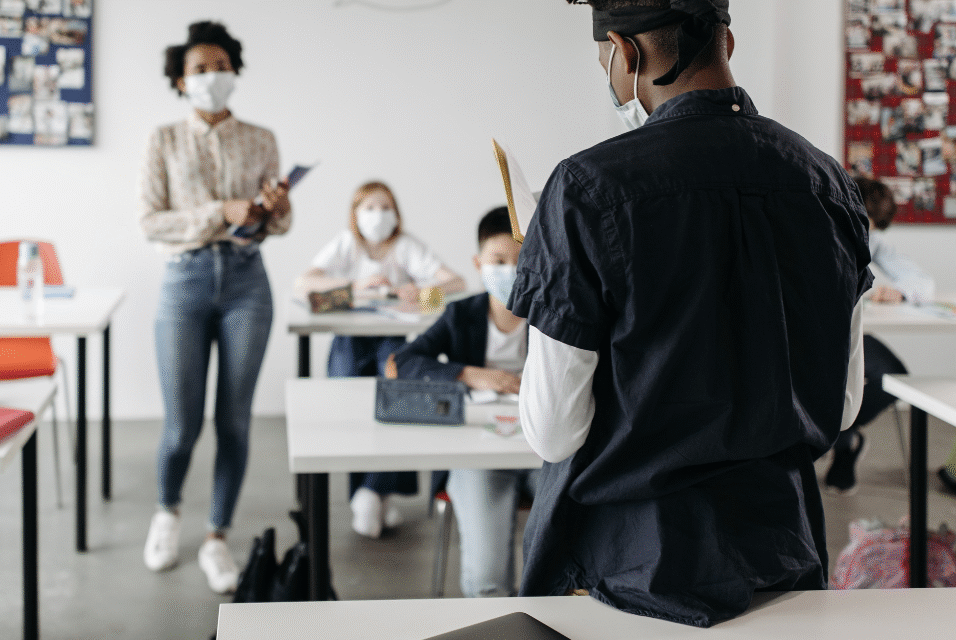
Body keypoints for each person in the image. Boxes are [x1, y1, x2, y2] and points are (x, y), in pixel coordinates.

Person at [509, 0, 872, 627]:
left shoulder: (585, 188)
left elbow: (552, 431)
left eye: (607, 61)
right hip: (782, 558)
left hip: (632, 570)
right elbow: (840, 406)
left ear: (626, 54)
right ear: (726, 42)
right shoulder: (828, 184)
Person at [139, 20, 291, 594]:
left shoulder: (261, 137)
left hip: (248, 283)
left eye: (221, 66)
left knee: (234, 419)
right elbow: (150, 220)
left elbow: (277, 222)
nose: (212, 76)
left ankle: (216, 535)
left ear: (236, 72)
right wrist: (218, 212)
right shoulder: (162, 140)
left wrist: (271, 210)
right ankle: (167, 510)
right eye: (200, 69)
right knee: (181, 425)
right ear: (180, 80)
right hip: (184, 280)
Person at [294, 181, 465, 538]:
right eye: (369, 208)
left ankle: (375, 491)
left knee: (396, 409)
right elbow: (304, 285)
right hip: (349, 341)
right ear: (355, 213)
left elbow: (456, 284)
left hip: (392, 338)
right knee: (351, 413)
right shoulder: (346, 245)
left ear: (397, 212)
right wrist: (355, 288)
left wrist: (421, 292)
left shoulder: (406, 246)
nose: (378, 215)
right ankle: (367, 494)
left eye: (385, 207)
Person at [392, 207, 538, 597]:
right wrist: (472, 373)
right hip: (479, 452)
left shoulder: (553, 314)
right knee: (487, 579)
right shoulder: (461, 314)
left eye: (522, 261)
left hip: (546, 450)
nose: (511, 270)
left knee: (568, 555)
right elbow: (402, 363)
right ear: (478, 263)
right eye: (499, 261)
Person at [824, 177, 934, 493]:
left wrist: (899, 292)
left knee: (894, 377)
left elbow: (922, 283)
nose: (863, 235)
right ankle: (839, 439)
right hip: (812, 339)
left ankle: (843, 437)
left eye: (869, 228)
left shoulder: (874, 242)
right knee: (838, 382)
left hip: (851, 335)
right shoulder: (815, 230)